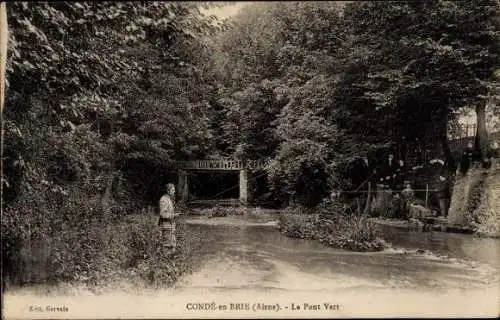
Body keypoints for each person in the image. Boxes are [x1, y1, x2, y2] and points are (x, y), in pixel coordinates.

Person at [158, 183, 179, 249]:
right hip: (166, 225)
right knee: (166, 245)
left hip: (170, 225)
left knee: (172, 244)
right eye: (172, 190)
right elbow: (163, 214)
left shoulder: (169, 199)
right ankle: (166, 257)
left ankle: (172, 257)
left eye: (174, 190)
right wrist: (174, 215)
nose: (174, 192)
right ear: (168, 191)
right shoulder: (164, 199)